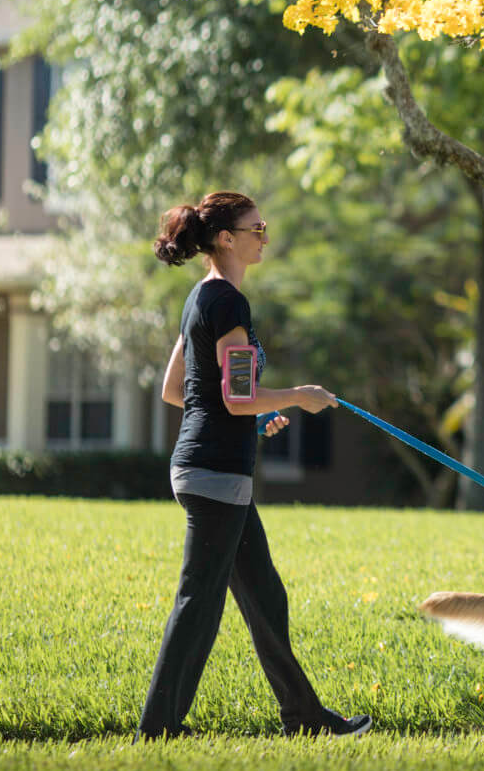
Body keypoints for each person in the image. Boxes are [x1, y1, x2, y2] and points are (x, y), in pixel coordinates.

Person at [136, 190, 371, 741]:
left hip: (210, 469)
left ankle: (304, 717)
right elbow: (237, 397)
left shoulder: (201, 298)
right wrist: (297, 396)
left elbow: (177, 389)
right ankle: (158, 729)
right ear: (226, 239)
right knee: (198, 605)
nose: (264, 237)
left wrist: (252, 416)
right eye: (256, 228)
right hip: (215, 472)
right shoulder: (228, 303)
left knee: (265, 597)